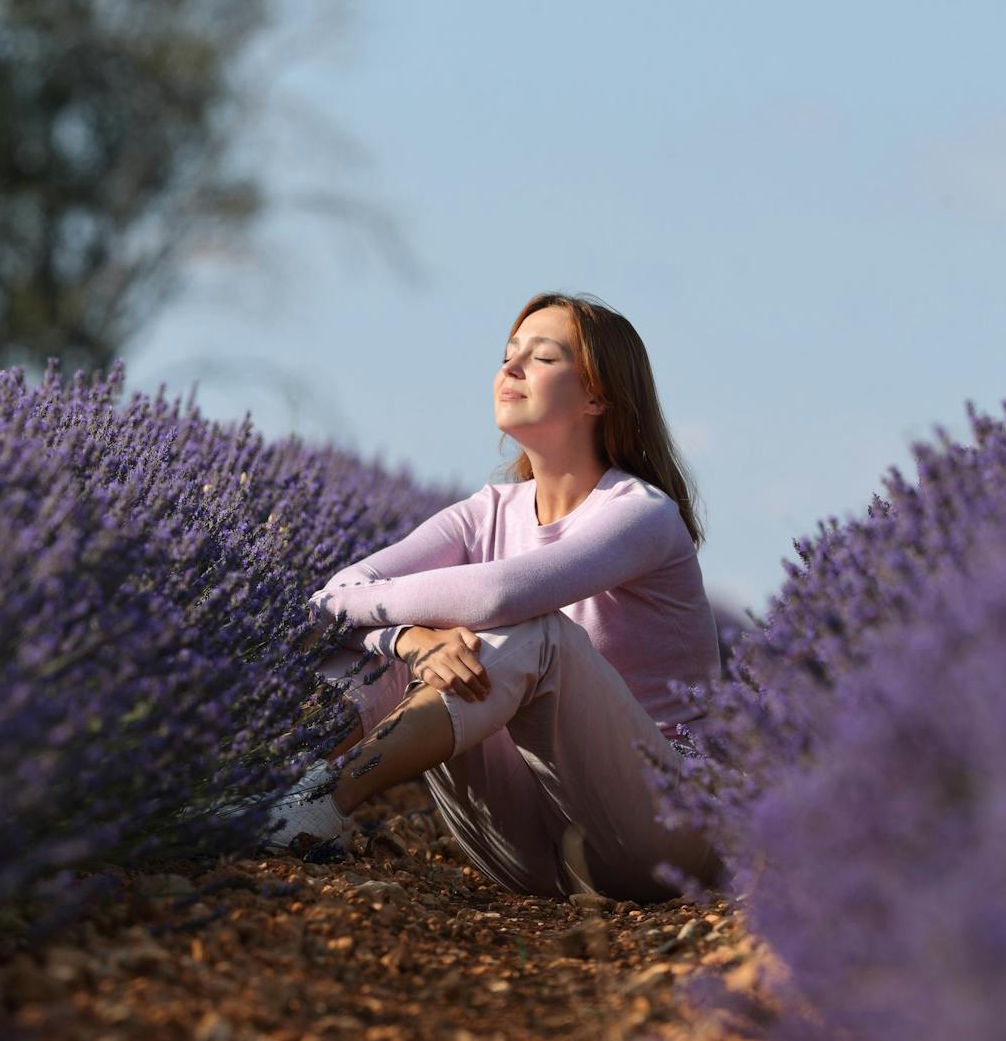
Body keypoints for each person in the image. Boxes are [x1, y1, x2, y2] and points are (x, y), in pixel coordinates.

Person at [255, 291, 722, 902]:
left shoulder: (641, 514)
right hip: (528, 851)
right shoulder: (486, 512)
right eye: (508, 356)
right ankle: (259, 787)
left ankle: (321, 804)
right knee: (386, 644)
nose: (511, 368)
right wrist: (406, 640)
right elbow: (335, 597)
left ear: (597, 396)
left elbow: (499, 595)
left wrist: (392, 625)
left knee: (529, 630)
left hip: (663, 836)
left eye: (542, 357)